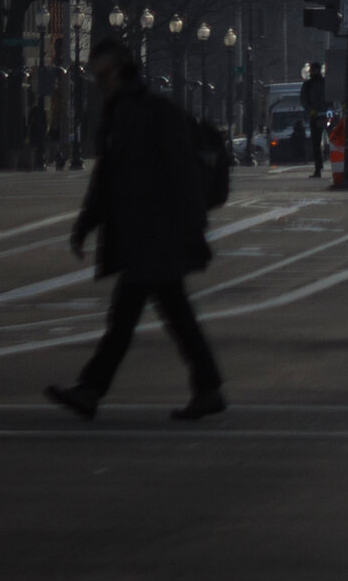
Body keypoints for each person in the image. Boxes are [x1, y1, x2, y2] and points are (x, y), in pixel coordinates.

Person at [45, 37, 225, 422]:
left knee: (129, 319)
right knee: (168, 315)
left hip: (157, 233)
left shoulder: (153, 112)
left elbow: (179, 174)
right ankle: (206, 388)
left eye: (104, 75)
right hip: (144, 233)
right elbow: (108, 177)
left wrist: (191, 226)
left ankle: (92, 391)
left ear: (122, 71)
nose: (100, 83)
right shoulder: (120, 111)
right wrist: (86, 223)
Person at [302, 63, 326, 178]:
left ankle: (337, 166)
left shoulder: (325, 83)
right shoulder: (308, 85)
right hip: (316, 116)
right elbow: (304, 100)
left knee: (335, 140)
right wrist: (311, 111)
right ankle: (318, 168)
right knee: (316, 144)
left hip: (326, 115)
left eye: (313, 69)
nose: (312, 72)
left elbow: (333, 98)